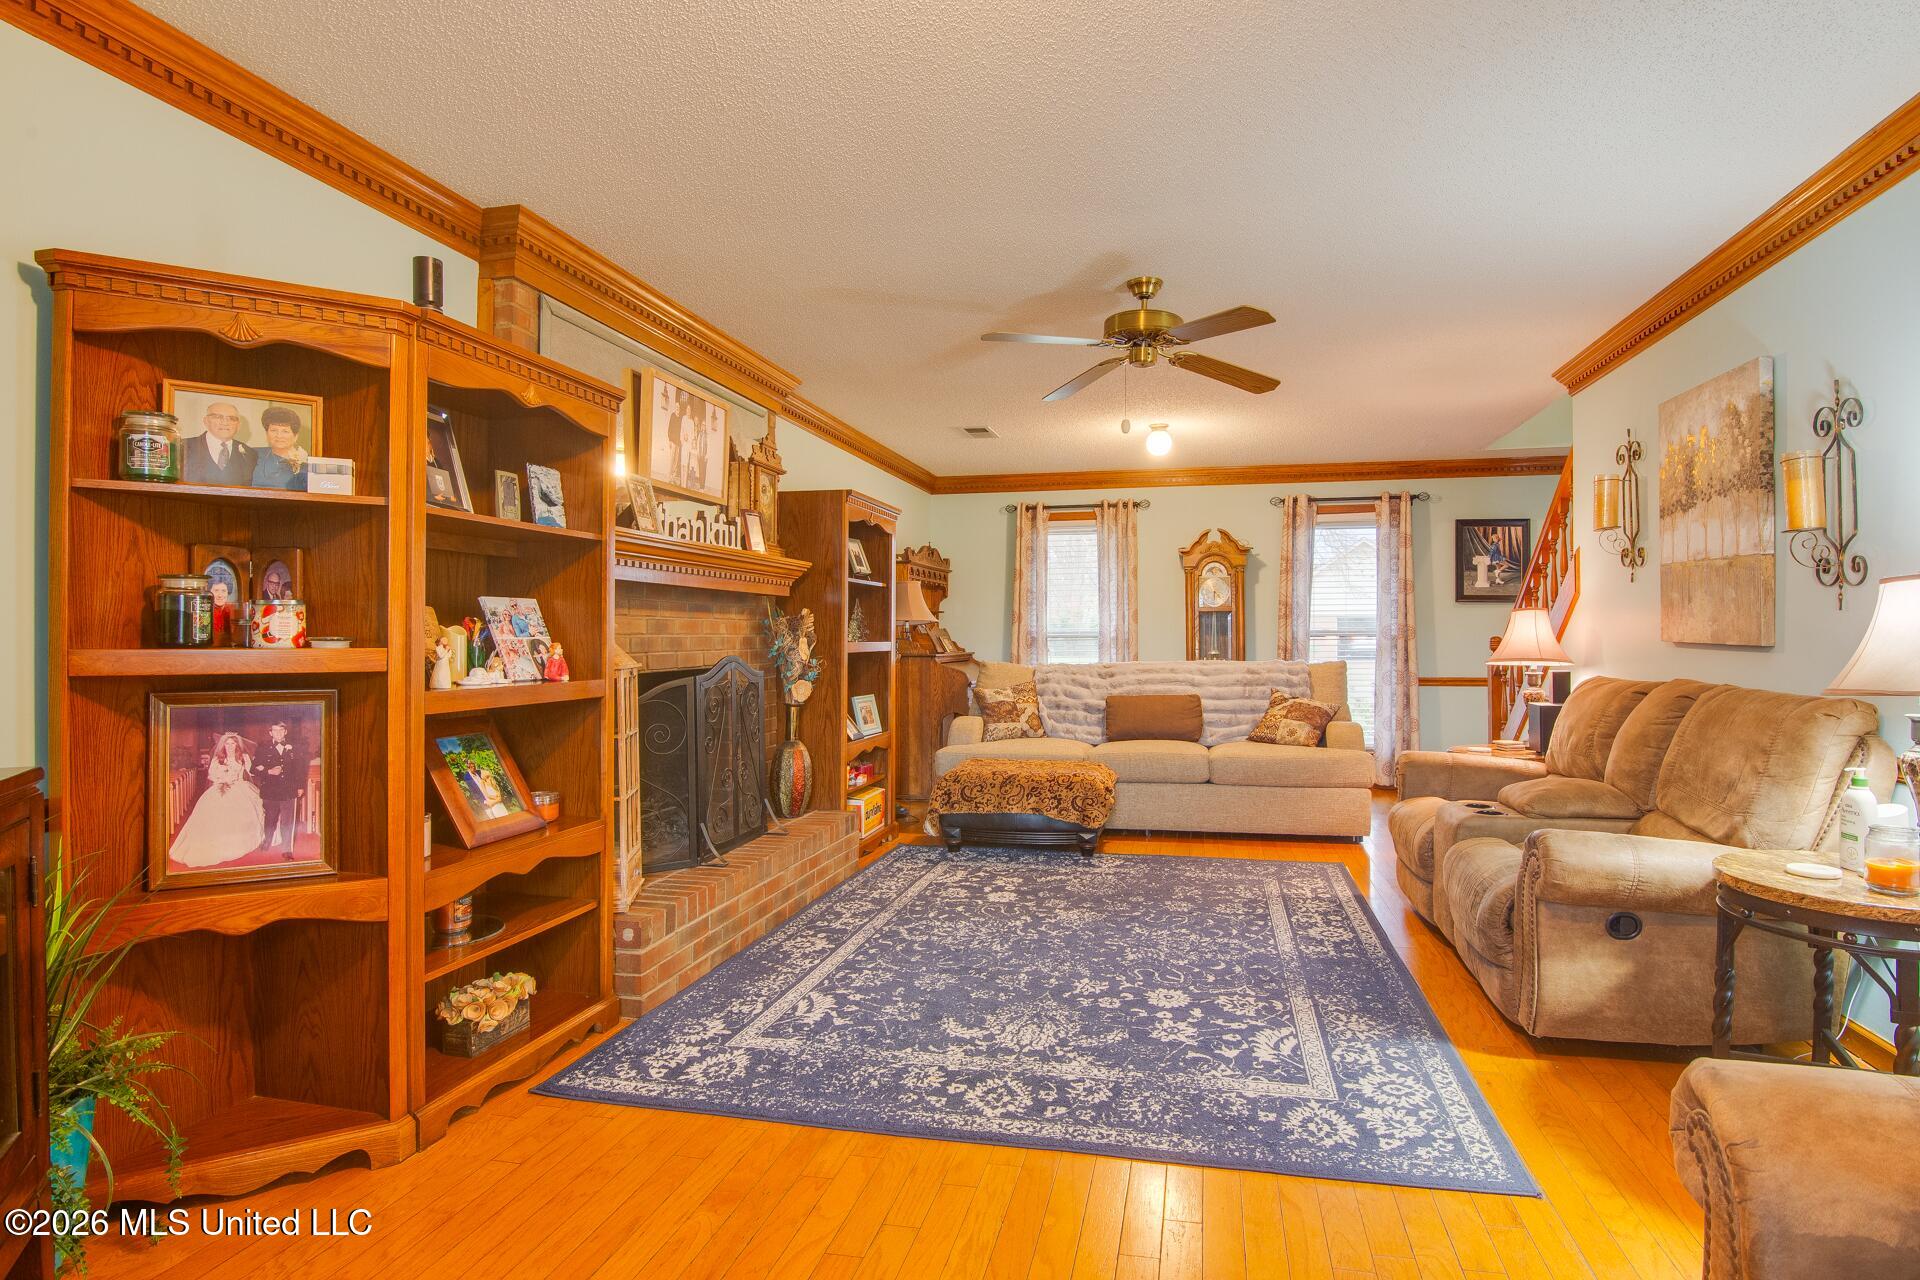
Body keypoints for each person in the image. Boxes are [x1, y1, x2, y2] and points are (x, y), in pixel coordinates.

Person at [168, 732, 265, 867]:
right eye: (227, 743)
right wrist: (223, 779)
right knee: (212, 814)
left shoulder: (243, 757)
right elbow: (212, 776)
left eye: (233, 743)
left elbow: (251, 773)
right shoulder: (217, 759)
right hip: (219, 788)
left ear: (237, 744)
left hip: (239, 787)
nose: (230, 746)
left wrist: (261, 768)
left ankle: (236, 843)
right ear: (223, 744)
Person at [252, 720, 311, 858]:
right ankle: (267, 840)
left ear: (285, 732)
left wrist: (301, 786)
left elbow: (301, 769)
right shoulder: (262, 748)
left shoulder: (295, 748)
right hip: (270, 790)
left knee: (288, 820)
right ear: (270, 733)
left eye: (281, 730)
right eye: (275, 730)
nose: (278, 733)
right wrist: (269, 771)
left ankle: (287, 850)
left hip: (289, 790)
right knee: (270, 819)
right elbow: (253, 769)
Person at [180, 401, 256, 485]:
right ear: (206, 421)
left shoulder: (250, 454)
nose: (225, 422)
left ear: (238, 425)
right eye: (218, 417)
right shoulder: (182, 446)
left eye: (232, 418)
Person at [250, 405, 308, 490]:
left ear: (295, 436)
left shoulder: (306, 463)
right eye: (274, 430)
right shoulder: (253, 454)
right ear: (267, 433)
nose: (279, 436)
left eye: (285, 431)